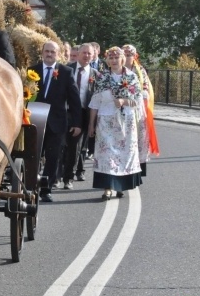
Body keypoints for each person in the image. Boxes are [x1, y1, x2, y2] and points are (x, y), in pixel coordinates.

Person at [88, 46, 143, 200]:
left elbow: (137, 101)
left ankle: (121, 187)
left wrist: (123, 101)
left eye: (116, 58)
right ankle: (107, 188)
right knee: (106, 155)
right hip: (105, 122)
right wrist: (91, 125)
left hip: (126, 122)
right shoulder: (102, 78)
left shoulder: (131, 77)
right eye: (110, 58)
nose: (113, 61)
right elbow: (94, 103)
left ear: (122, 59)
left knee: (124, 155)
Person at [30, 41, 82, 202]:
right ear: (42, 52)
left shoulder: (66, 72)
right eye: (47, 51)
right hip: (34, 120)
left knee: (53, 157)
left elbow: (74, 99)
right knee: (32, 155)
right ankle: (30, 187)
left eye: (53, 52)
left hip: (57, 122)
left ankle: (46, 188)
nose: (49, 54)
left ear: (58, 54)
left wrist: (77, 123)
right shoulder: (32, 70)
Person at [61, 43, 100, 188]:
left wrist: (93, 122)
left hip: (84, 113)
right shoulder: (67, 70)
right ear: (78, 54)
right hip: (66, 112)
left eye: (89, 54)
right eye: (84, 53)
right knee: (61, 144)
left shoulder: (95, 75)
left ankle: (68, 178)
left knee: (75, 147)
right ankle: (58, 175)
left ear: (93, 55)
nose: (86, 56)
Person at [123, 44, 159, 175]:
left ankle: (139, 167)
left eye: (129, 55)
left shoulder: (140, 70)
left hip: (138, 108)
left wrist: (139, 95)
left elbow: (145, 87)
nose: (127, 58)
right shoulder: (116, 69)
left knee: (140, 137)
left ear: (134, 56)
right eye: (125, 55)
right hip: (121, 108)